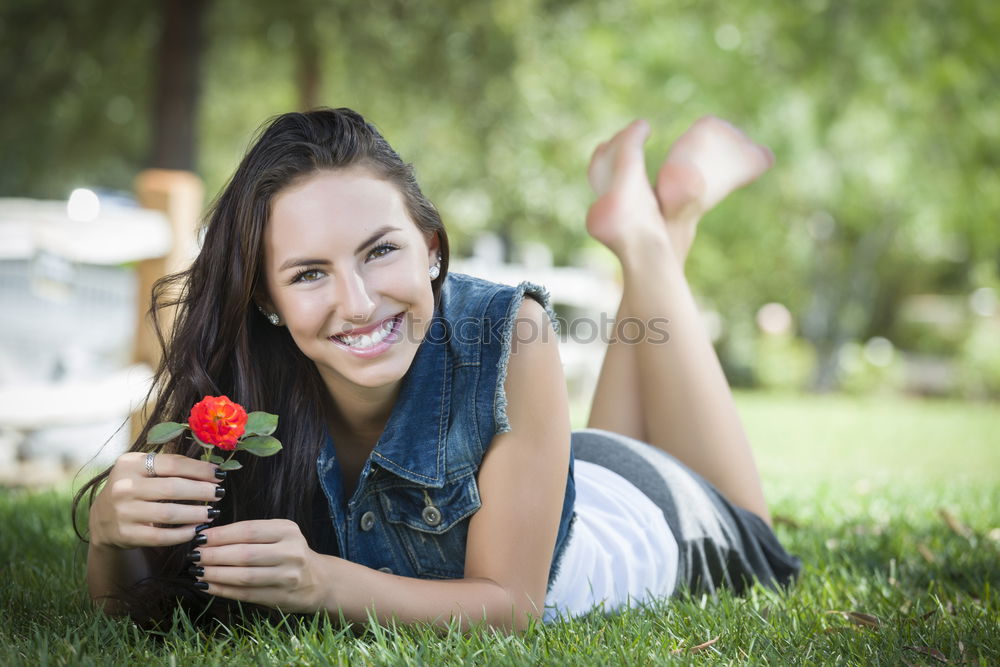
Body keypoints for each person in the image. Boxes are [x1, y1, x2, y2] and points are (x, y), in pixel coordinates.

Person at [75, 108, 801, 633]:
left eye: (380, 250)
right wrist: (111, 536)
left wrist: (322, 582)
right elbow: (131, 606)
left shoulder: (509, 330)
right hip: (563, 479)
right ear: (266, 295)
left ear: (429, 245)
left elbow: (510, 607)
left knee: (763, 543)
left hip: (650, 515)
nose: (356, 303)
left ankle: (648, 237)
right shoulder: (236, 397)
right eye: (308, 274)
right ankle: (664, 216)